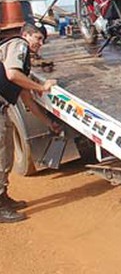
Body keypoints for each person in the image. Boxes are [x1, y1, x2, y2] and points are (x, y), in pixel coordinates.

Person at [0, 22, 61, 223]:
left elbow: (26, 97)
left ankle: (4, 198)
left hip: (2, 108)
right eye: (38, 38)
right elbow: (12, 74)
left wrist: (47, 123)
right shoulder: (19, 44)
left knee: (6, 155)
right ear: (26, 35)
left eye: (43, 40)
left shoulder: (21, 57)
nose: (40, 44)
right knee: (1, 157)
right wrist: (42, 87)